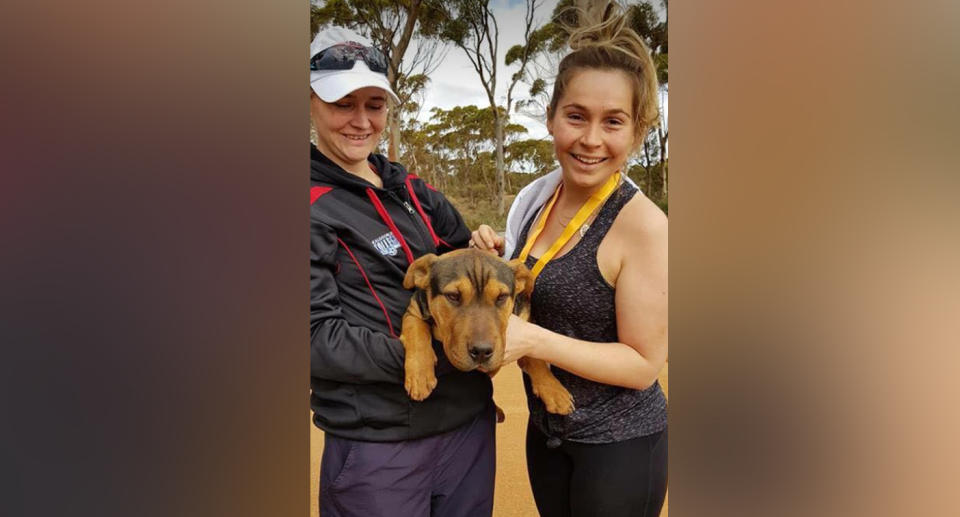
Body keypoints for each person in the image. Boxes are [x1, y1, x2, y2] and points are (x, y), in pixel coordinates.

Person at [470, 1, 668, 515]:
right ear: (552, 118)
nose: (590, 139)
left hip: (619, 447)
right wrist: (492, 258)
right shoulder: (535, 199)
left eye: (613, 122)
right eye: (576, 116)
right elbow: (529, 289)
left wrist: (534, 340)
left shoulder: (644, 227)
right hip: (548, 435)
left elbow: (644, 365)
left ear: (637, 131)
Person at [309, 27, 496, 517]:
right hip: (380, 444)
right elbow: (315, 339)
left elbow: (466, 262)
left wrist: (486, 247)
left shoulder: (410, 187)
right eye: (342, 103)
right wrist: (427, 353)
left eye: (374, 104)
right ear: (310, 102)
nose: (361, 121)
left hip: (468, 430)